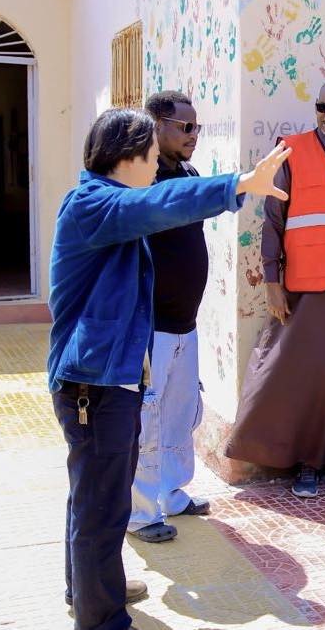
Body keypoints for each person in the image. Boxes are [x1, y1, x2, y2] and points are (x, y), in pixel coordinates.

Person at [48, 107, 288, 630]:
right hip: (95, 383)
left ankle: (92, 586)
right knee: (101, 501)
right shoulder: (94, 203)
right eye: (152, 158)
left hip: (110, 377)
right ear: (127, 157)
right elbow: (161, 204)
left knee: (98, 493)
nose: (157, 170)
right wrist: (240, 184)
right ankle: (101, 615)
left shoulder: (106, 204)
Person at [225, 78, 325, 498]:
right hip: (307, 285)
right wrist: (272, 282)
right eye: (321, 108)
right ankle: (306, 465)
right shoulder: (292, 152)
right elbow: (273, 221)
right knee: (305, 376)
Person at [125, 91, 212, 544]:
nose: (193, 135)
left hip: (186, 324)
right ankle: (140, 513)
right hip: (152, 326)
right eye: (185, 127)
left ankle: (172, 492)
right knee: (148, 419)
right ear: (157, 125)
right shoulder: (142, 178)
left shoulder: (189, 173)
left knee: (180, 415)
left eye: (197, 127)